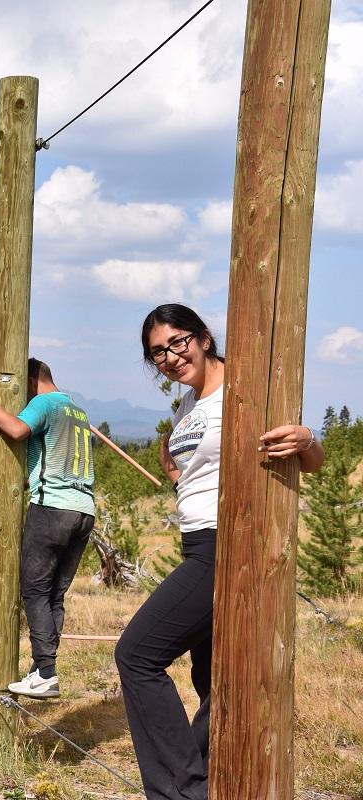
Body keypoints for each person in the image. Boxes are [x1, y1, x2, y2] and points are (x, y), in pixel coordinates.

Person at [115, 303, 324, 800]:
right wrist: (177, 475)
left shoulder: (244, 389)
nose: (169, 357)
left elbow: (308, 458)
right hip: (197, 541)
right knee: (215, 678)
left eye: (177, 342)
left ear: (204, 337)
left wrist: (306, 439)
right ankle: (217, 779)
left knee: (137, 655)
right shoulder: (190, 403)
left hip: (226, 545)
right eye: (157, 353)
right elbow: (203, 466)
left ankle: (182, 792)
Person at [0, 358, 95, 698]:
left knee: (35, 591)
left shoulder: (43, 403)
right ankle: (41, 668)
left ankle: (45, 672)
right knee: (54, 594)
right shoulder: (77, 411)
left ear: (30, 381)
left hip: (53, 507)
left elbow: (16, 430)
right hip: (84, 510)